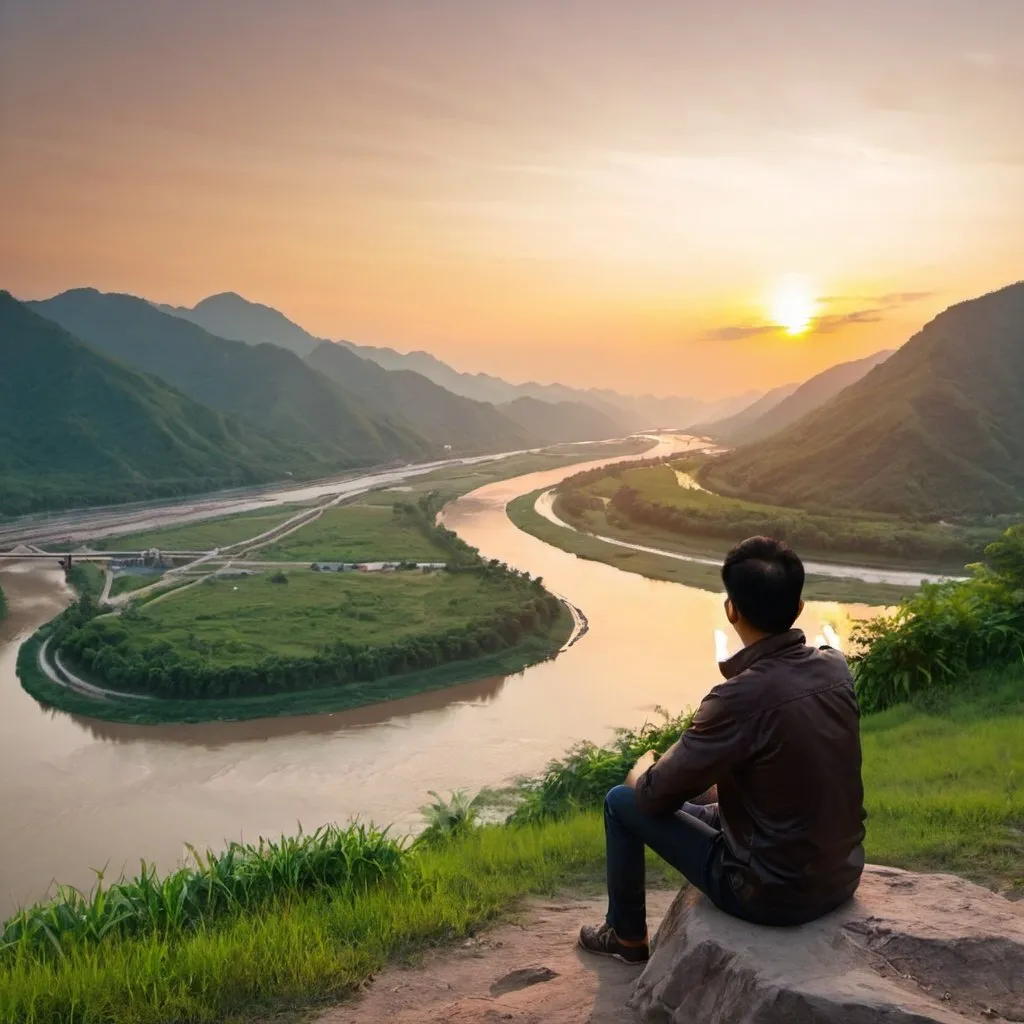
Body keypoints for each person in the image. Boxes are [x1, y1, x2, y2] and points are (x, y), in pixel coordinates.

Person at [579, 536, 866, 964]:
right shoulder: (835, 668)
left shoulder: (736, 698)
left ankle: (625, 935)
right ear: (799, 607)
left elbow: (653, 797)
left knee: (622, 801)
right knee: (701, 802)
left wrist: (644, 768)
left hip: (768, 893)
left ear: (731, 609)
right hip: (842, 875)